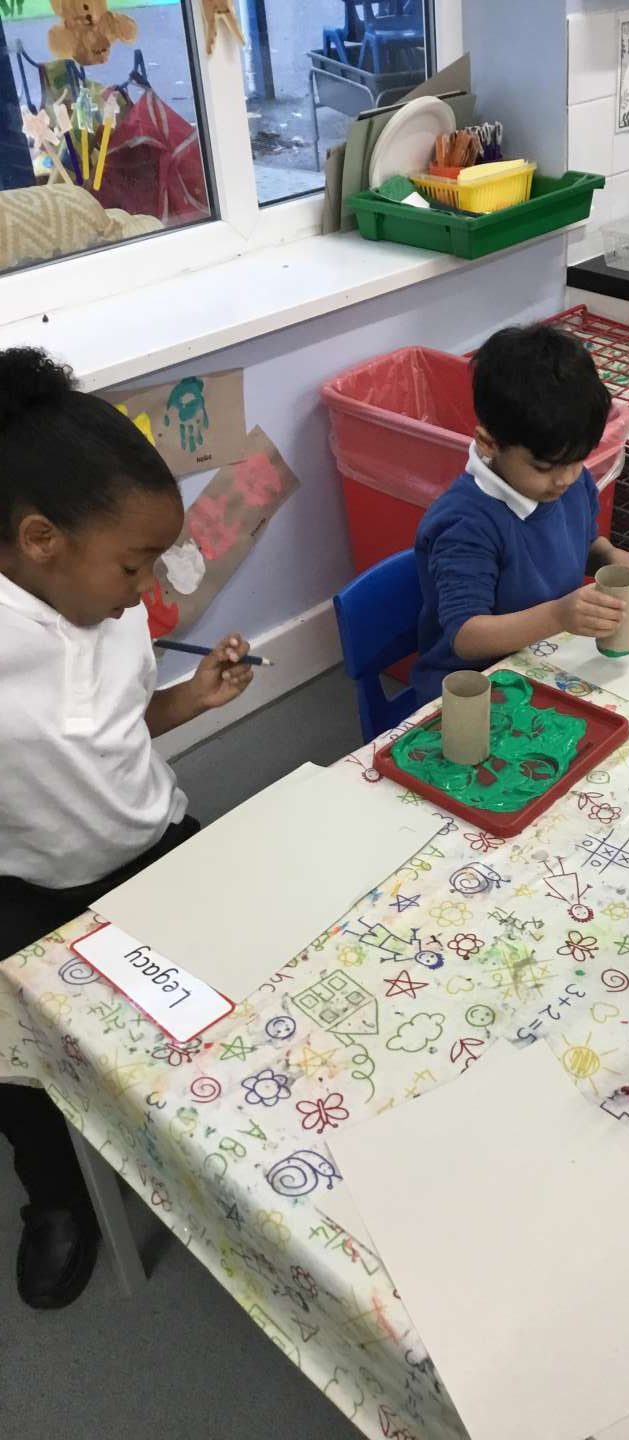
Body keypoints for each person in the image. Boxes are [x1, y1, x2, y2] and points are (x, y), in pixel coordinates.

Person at [0, 348, 253, 1308]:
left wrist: (191, 698)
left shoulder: (113, 612)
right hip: (31, 887)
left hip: (152, 838)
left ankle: (224, 1132)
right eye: (133, 564)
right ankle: (55, 1198)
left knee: (245, 976)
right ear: (40, 540)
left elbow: (114, 730)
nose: (145, 590)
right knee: (20, 1066)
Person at [412, 324, 629, 703]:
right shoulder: (466, 524)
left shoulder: (567, 482)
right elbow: (466, 636)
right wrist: (558, 616)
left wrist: (614, 556)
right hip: (473, 691)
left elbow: (581, 542)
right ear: (488, 443)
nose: (565, 478)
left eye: (576, 460)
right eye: (544, 466)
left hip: (546, 657)